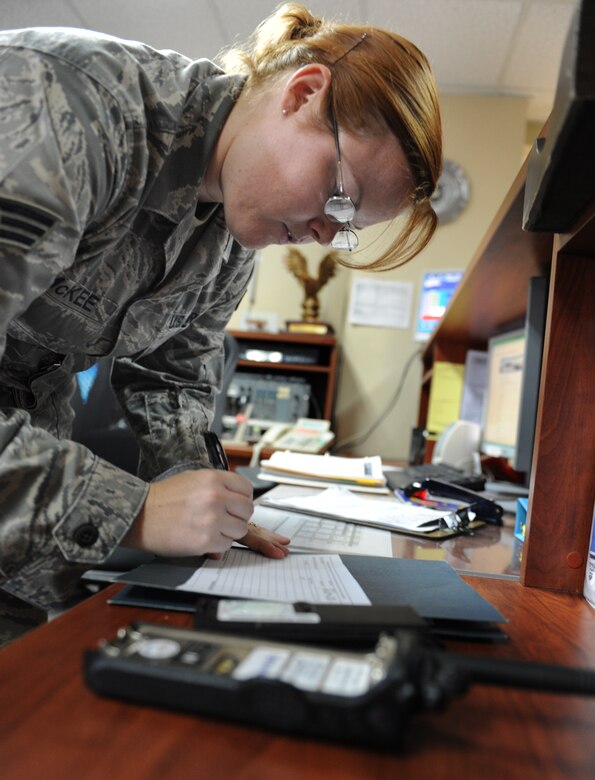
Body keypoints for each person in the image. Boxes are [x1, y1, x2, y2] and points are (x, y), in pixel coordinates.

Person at [0, 3, 442, 642]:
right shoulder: (73, 111)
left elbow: (174, 381)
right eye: (337, 196)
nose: (322, 233)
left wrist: (200, 496)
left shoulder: (233, 238)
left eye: (344, 226)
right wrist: (136, 513)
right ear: (303, 93)